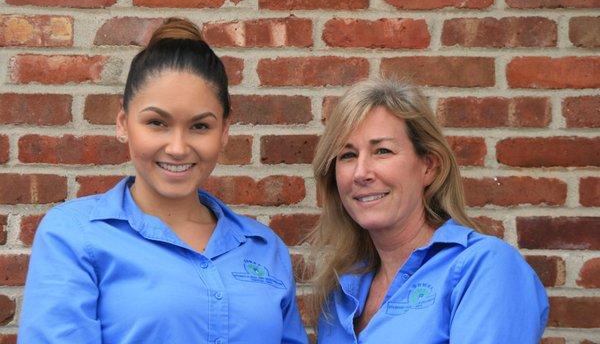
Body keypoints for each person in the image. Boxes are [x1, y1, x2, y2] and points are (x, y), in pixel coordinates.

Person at [18, 18, 308, 344]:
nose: (178, 148)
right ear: (123, 124)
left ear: (224, 131)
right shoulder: (73, 235)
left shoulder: (265, 249)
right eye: (157, 123)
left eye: (200, 126)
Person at [308, 79, 548, 343]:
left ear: (429, 167)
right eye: (347, 155)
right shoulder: (340, 294)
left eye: (382, 151)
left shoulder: (484, 268)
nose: (361, 173)